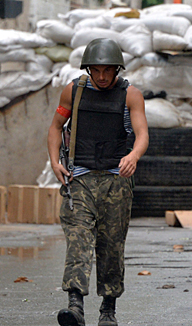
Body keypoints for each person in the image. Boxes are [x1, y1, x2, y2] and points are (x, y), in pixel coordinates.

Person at [47, 38, 148, 326]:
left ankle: (108, 309)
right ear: (88, 69)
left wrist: (134, 156)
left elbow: (142, 134)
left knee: (111, 246)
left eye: (108, 71)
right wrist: (55, 162)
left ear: (117, 69)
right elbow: (55, 128)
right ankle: (75, 304)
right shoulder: (75, 91)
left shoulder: (131, 95)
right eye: (96, 70)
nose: (102, 77)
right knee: (78, 239)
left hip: (116, 182)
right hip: (80, 179)